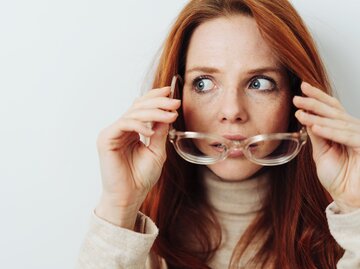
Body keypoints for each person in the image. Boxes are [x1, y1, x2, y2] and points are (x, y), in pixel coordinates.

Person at [76, 0, 360, 268]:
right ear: (175, 97)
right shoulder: (138, 242)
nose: (232, 110)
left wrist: (356, 206)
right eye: (203, 83)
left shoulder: (345, 234)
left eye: (259, 83)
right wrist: (120, 206)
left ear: (296, 98)